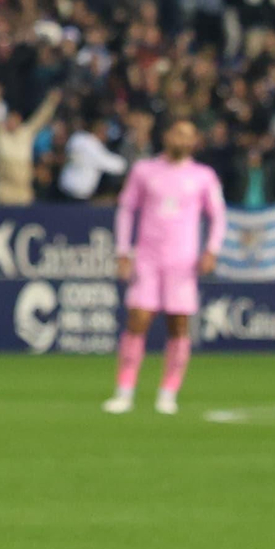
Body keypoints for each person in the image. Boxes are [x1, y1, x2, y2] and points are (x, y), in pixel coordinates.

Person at [103, 121, 226, 416]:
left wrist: (212, 249)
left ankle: (168, 392)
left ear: (196, 140)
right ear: (167, 135)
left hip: (183, 262)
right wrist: (123, 251)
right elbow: (126, 209)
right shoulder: (145, 170)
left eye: (188, 133)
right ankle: (125, 390)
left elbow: (218, 215)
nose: (182, 138)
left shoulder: (203, 176)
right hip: (147, 257)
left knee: (179, 324)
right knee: (138, 319)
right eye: (177, 132)